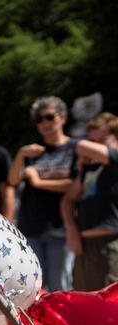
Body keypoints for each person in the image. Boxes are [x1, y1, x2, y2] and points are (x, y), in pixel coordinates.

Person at [9, 96, 77, 291]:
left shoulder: (75, 148)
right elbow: (13, 181)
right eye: (40, 119)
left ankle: (60, 323)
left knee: (59, 287)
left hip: (61, 229)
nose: (45, 123)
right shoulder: (32, 151)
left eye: (49, 117)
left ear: (63, 118)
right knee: (32, 288)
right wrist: (21, 154)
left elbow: (74, 185)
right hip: (31, 228)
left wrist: (39, 182)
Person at [61, 112, 118, 290]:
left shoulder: (115, 158)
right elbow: (68, 200)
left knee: (110, 303)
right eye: (93, 140)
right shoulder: (89, 168)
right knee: (84, 299)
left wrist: (61, 139)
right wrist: (71, 230)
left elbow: (81, 145)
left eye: (103, 139)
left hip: (111, 242)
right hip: (84, 245)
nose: (96, 145)